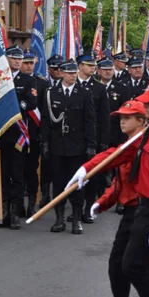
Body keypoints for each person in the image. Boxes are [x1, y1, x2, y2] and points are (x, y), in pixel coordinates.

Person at [67, 80, 149, 297]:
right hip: (142, 207)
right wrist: (87, 169)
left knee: (135, 267)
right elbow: (119, 154)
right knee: (124, 266)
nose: (146, 105)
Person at [88, 100, 147, 297]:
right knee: (118, 267)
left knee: (140, 269)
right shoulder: (128, 144)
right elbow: (120, 183)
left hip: (147, 212)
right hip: (130, 211)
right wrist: (102, 202)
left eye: (128, 117)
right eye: (121, 116)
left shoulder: (143, 144)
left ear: (141, 121)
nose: (122, 120)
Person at [41, 58, 96, 235]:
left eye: (74, 73)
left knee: (77, 184)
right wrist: (45, 143)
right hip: (57, 145)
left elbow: (90, 121)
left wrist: (90, 145)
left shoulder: (84, 93)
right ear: (62, 73)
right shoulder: (51, 93)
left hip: (77, 146)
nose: (73, 76)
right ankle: (59, 219)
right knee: (58, 183)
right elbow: (46, 121)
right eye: (69, 73)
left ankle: (76, 219)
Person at [0, 46, 38, 231]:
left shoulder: (27, 79)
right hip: (1, 133)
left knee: (17, 176)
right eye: (14, 58)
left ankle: (16, 213)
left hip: (18, 134)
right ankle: (3, 213)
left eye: (20, 59)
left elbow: (32, 102)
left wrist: (15, 106)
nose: (18, 61)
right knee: (1, 176)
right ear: (6, 59)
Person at [77, 52, 110, 223]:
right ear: (80, 66)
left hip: (94, 138)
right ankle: (76, 209)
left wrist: (104, 141)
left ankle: (88, 208)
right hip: (75, 139)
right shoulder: (71, 84)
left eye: (94, 65)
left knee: (93, 175)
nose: (93, 68)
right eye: (89, 65)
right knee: (76, 174)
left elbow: (105, 117)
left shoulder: (99, 88)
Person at [21, 50, 47, 217]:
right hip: (18, 133)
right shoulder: (11, 81)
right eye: (26, 62)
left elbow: (45, 112)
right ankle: (16, 206)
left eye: (31, 63)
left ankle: (31, 203)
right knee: (16, 171)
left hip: (34, 133)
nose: (29, 65)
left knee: (32, 170)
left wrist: (43, 135)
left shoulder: (43, 83)